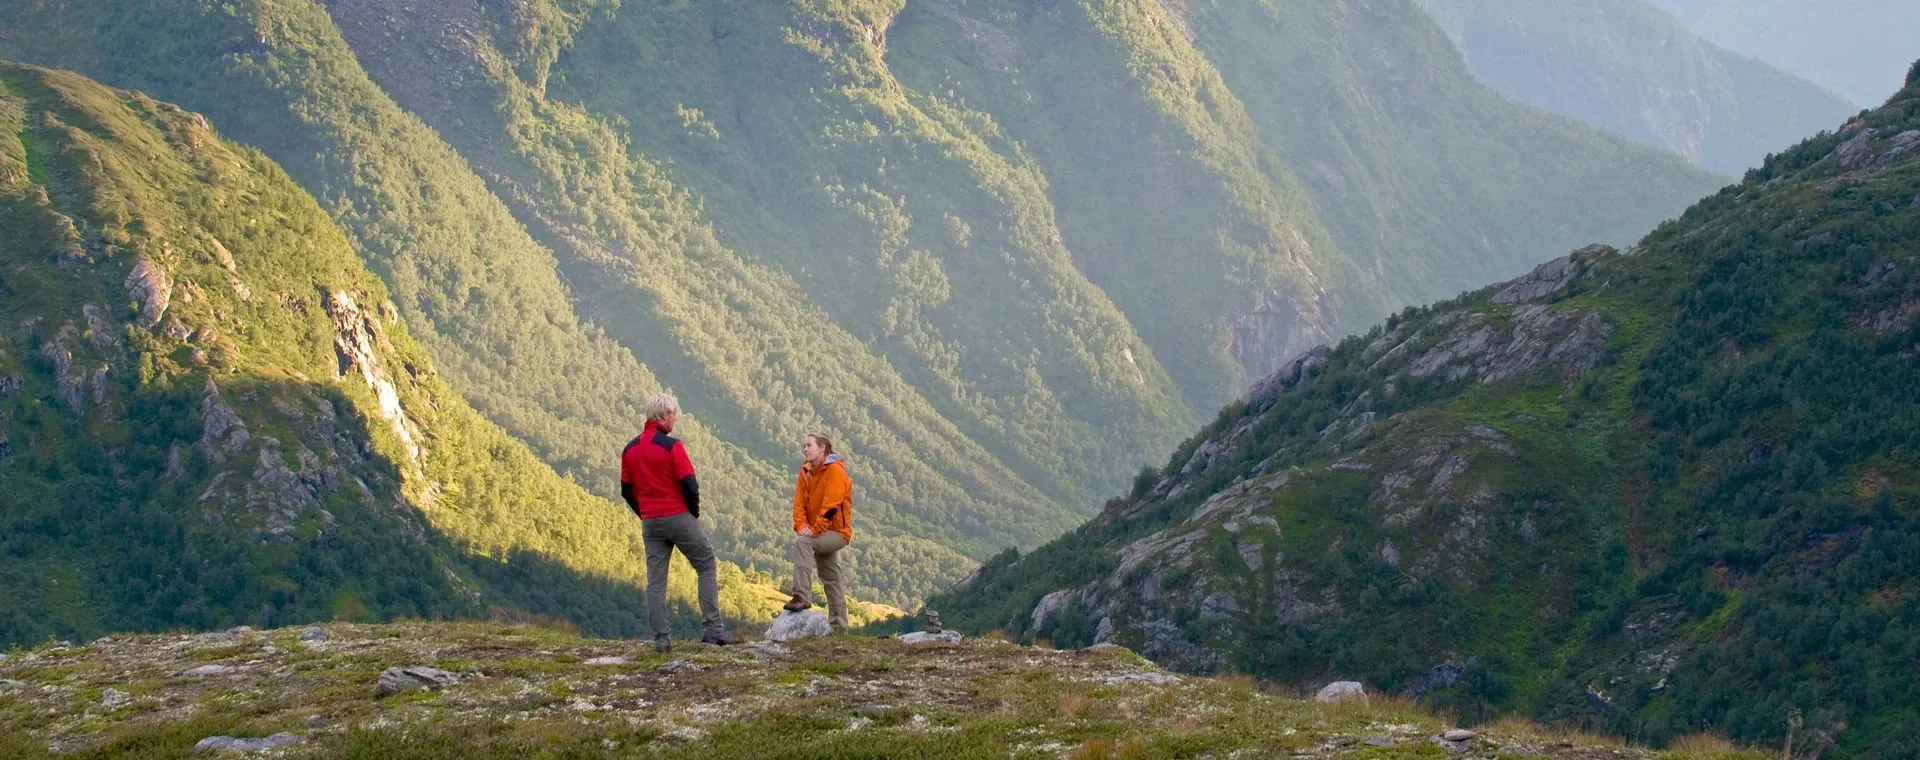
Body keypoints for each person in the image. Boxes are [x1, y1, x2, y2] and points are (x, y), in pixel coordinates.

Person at [620, 392, 730, 652]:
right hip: (677, 516)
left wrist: (645, 512)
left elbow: (626, 490)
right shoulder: (672, 447)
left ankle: (661, 640)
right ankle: (713, 630)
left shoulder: (630, 449)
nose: (675, 419)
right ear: (664, 415)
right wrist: (692, 513)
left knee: (656, 582)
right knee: (705, 564)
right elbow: (689, 483)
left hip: (651, 521)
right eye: (674, 414)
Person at [785, 433, 853, 628]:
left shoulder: (835, 472)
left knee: (802, 543)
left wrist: (813, 531)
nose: (805, 449)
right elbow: (798, 504)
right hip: (819, 532)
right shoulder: (806, 472)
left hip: (837, 532)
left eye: (809, 445)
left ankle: (802, 596)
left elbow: (832, 507)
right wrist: (802, 526)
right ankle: (839, 625)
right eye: (804, 446)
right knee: (831, 576)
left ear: (822, 448)